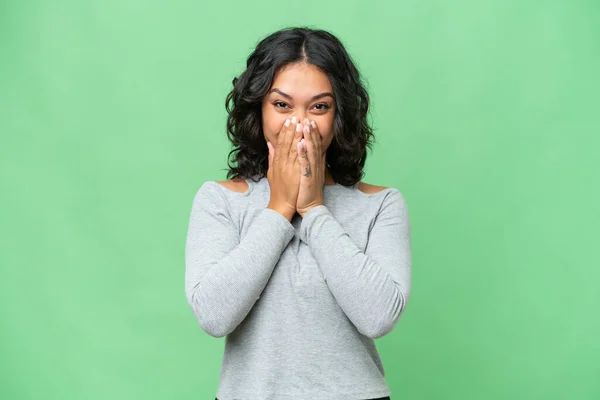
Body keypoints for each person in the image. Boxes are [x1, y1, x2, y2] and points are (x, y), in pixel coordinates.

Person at [185, 26, 412, 400]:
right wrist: (278, 209)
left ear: (340, 115)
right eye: (282, 105)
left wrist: (313, 209)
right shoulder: (220, 200)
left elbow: (378, 317)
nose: (300, 124)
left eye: (319, 106)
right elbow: (213, 316)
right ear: (258, 109)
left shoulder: (381, 204)